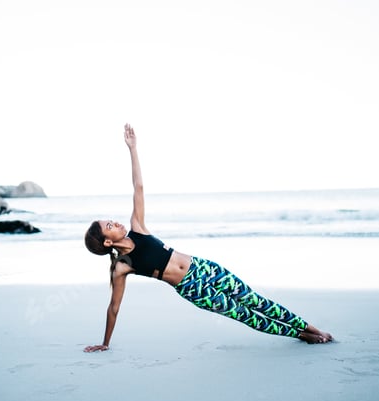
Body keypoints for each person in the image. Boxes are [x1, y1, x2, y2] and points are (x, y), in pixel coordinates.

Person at [83, 124, 333, 352]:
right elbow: (114, 308)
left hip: (204, 268)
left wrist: (133, 149)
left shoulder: (137, 227)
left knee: (256, 300)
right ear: (107, 242)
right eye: (109, 225)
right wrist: (105, 343)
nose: (114, 222)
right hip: (193, 289)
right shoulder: (122, 267)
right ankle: (300, 334)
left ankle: (311, 328)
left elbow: (138, 187)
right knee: (247, 315)